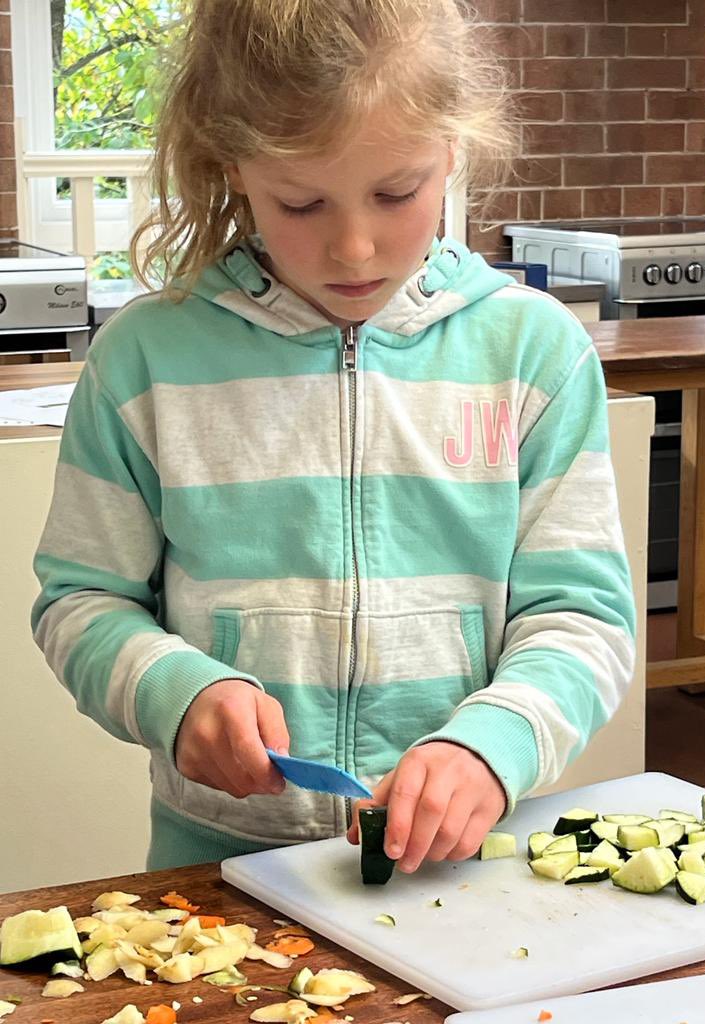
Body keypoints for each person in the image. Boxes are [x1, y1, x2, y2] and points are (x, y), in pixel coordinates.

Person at [32, 0, 636, 874]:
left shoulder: (533, 355)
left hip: (465, 863)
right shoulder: (146, 363)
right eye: (302, 201)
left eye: (398, 192)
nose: (354, 249)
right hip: (220, 866)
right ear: (232, 165)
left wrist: (491, 746)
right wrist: (175, 689)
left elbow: (581, 616)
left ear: (453, 151)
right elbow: (80, 602)